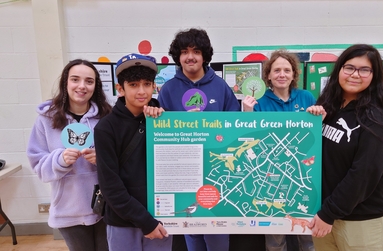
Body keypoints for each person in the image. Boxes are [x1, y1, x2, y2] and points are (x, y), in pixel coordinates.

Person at [308, 44, 383, 251]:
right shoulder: (330, 107)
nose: (355, 74)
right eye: (349, 67)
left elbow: (362, 175)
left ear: (374, 75)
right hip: (326, 213)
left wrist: (328, 214)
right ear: (340, 70)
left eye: (364, 69)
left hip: (360, 221)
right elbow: (319, 158)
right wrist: (313, 126)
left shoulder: (376, 119)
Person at [157, 28, 240, 251]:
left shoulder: (221, 86)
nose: (190, 56)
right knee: (191, 230)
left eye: (195, 51)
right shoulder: (168, 89)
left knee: (217, 232)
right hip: (183, 171)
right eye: (184, 51)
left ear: (204, 55)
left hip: (217, 170)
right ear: (178, 56)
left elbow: (234, 126)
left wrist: (210, 127)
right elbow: (159, 134)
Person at [243, 49, 323, 251]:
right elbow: (249, 139)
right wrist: (246, 114)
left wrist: (319, 115)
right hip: (270, 178)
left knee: (307, 238)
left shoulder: (306, 97)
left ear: (294, 74)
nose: (282, 74)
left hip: (302, 175)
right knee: (275, 240)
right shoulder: (258, 102)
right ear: (268, 75)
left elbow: (316, 135)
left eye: (287, 70)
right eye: (276, 70)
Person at [27, 59, 112, 251]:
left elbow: (123, 159)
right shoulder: (45, 120)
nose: (82, 86)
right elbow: (38, 165)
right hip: (69, 211)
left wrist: (103, 158)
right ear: (65, 82)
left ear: (95, 86)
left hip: (106, 207)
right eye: (75, 79)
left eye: (89, 81)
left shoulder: (107, 117)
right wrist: (59, 160)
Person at [94, 53, 172, 251]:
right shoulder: (106, 128)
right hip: (123, 221)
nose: (142, 91)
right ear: (120, 88)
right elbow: (110, 185)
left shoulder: (164, 121)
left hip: (160, 217)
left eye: (147, 84)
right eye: (134, 84)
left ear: (155, 86)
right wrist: (145, 221)